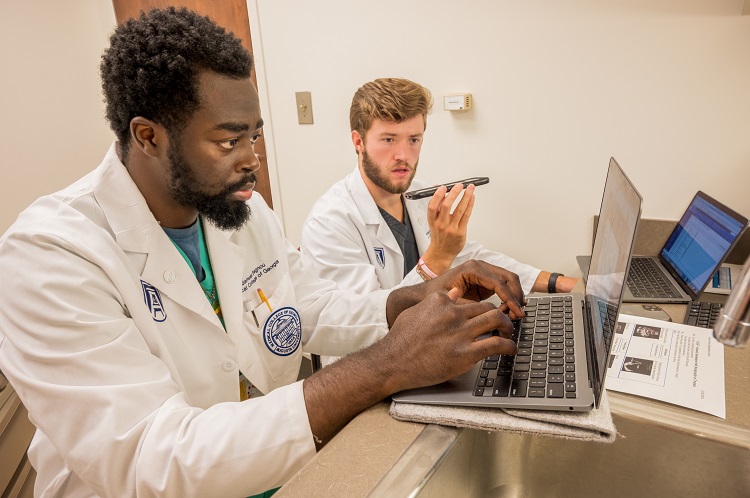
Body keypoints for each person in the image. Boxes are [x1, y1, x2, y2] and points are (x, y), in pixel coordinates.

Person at [0, 8, 527, 497]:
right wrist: (384, 366)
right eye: (228, 142)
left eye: (255, 136)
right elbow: (152, 459)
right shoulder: (51, 255)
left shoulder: (239, 210)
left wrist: (412, 298)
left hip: (266, 469)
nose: (252, 160)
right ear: (148, 136)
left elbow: (307, 304)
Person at [301, 77, 578, 298]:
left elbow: (471, 258)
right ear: (358, 142)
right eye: (388, 140)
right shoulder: (330, 223)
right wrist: (439, 256)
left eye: (413, 139)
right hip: (374, 364)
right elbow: (366, 324)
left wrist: (559, 283)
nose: (403, 155)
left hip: (429, 346)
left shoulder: (419, 196)